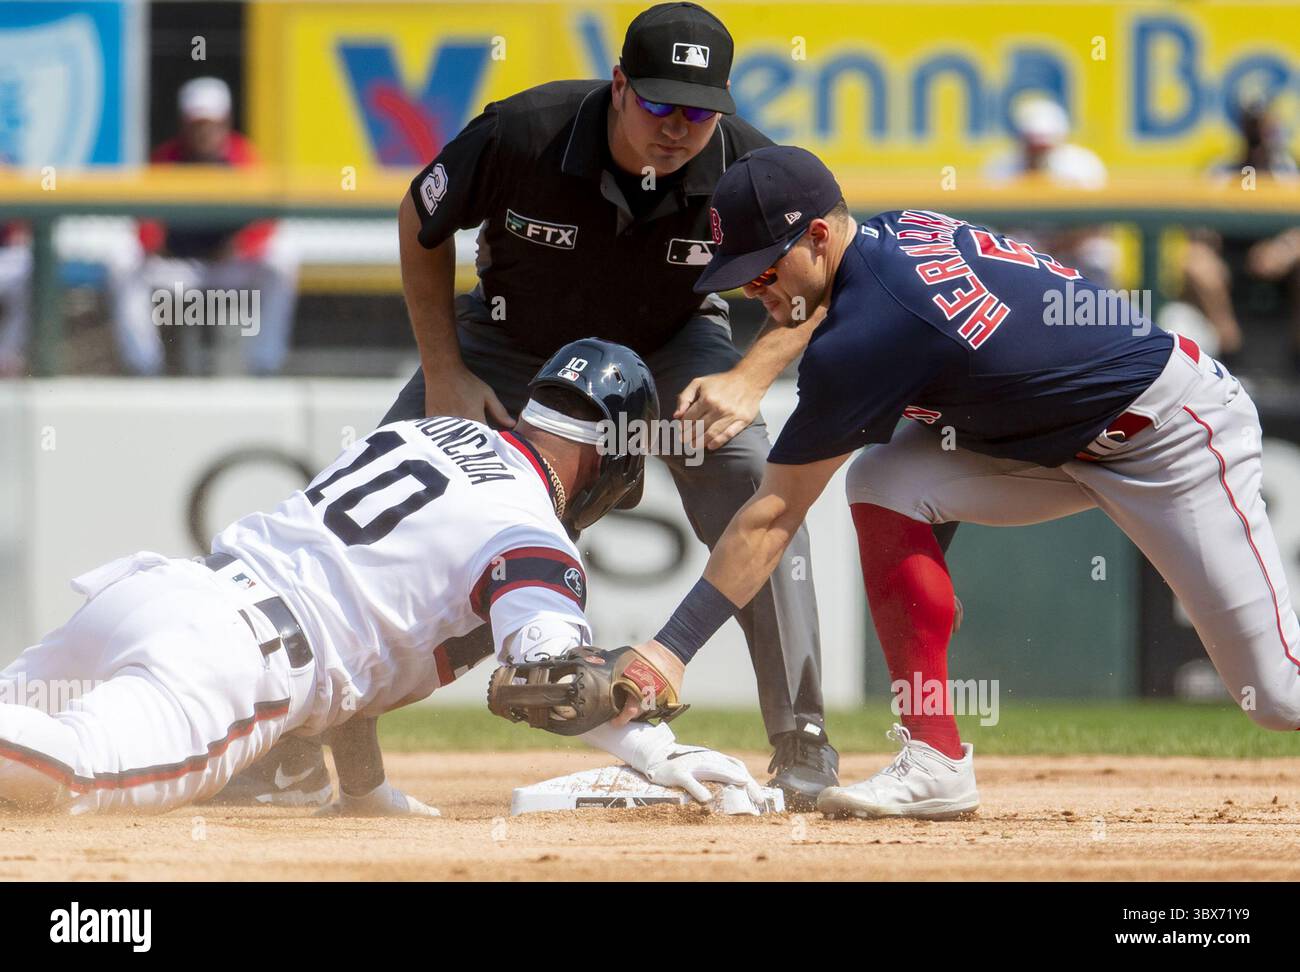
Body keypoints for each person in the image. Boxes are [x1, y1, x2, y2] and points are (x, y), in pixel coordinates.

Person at [228, 1, 840, 811]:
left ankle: (802, 745)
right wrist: (443, 369)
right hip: (511, 344)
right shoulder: (528, 131)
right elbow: (421, 219)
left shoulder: (745, 165)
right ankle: (302, 741)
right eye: (660, 103)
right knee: (399, 500)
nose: (678, 127)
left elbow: (825, 274)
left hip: (672, 347)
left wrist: (752, 376)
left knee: (757, 488)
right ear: (619, 85)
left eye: (699, 111)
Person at [565, 146, 1297, 820]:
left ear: (819, 236)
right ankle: (936, 759)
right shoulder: (889, 241)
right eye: (740, 276)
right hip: (1050, 441)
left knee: (1274, 693)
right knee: (885, 479)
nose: (756, 290)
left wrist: (668, 651)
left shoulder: (868, 332)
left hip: (1169, 435)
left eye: (764, 270)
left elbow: (774, 516)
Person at [0, 339, 761, 814]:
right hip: (231, 664)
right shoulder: (530, 531)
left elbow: (360, 627)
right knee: (67, 775)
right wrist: (660, 752)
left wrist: (361, 791)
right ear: (610, 462)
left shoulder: (431, 431)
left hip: (154, 594)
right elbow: (553, 680)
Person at [108, 77, 299, 376]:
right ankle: (144, 366)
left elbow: (266, 222)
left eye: (212, 123)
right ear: (185, 124)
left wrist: (238, 246)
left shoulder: (244, 158)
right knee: (122, 259)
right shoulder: (166, 160)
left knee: (282, 257)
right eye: (198, 124)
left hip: (230, 266)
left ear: (226, 122)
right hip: (181, 267)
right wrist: (157, 242)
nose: (205, 131)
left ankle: (265, 364)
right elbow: (144, 224)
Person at [1180, 99, 1300, 369]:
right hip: (1230, 264)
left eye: (1261, 126)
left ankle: (1296, 357)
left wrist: (1284, 249)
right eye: (1251, 126)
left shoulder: (1289, 171)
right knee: (1196, 262)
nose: (1256, 134)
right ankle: (1233, 353)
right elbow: (1197, 231)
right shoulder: (1221, 171)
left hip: (1282, 269)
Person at [983, 95, 1116, 285]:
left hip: (1072, 251)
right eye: (1032, 144)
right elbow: (994, 227)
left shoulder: (1083, 165)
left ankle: (1103, 308)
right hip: (1025, 250)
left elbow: (1096, 227)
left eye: (1043, 145)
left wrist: (1055, 248)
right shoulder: (1001, 167)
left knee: (1098, 253)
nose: (1037, 151)